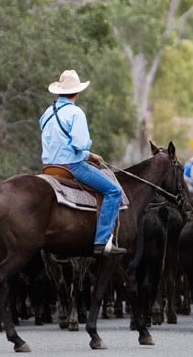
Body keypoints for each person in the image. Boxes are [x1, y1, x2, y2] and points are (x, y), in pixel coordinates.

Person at [39, 70, 126, 256]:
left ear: (59, 92)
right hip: (73, 166)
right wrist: (87, 149)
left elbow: (60, 143)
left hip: (49, 168)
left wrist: (89, 155)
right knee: (114, 191)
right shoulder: (76, 113)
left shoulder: (47, 113)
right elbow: (78, 144)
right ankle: (102, 241)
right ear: (77, 92)